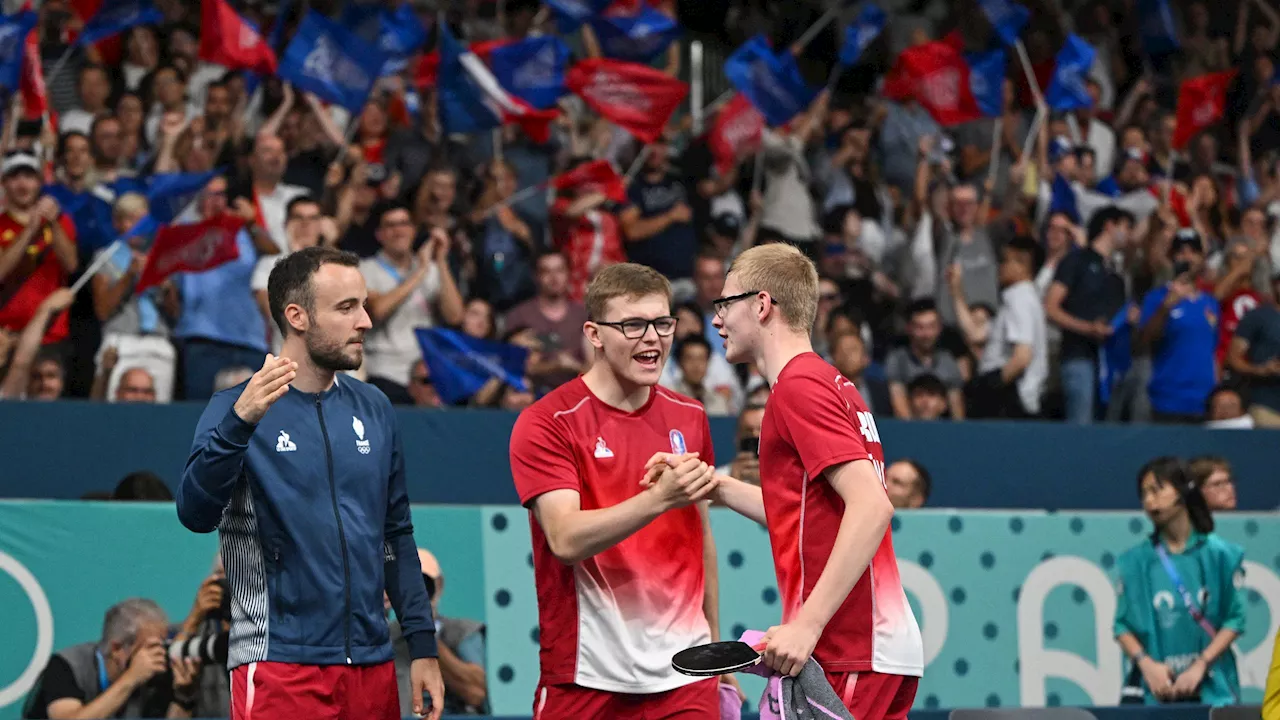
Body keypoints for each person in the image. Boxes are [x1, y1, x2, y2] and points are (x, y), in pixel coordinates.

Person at [175, 246, 445, 719]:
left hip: (372, 663)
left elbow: (395, 536)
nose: (365, 320)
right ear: (296, 316)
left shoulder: (375, 407)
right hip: (279, 661)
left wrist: (422, 645)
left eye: (362, 304)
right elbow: (194, 514)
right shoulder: (233, 407)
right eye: (346, 308)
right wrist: (239, 424)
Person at [699, 242, 923, 719]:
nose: (716, 319)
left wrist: (806, 624)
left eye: (725, 303)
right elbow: (802, 514)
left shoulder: (798, 388)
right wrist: (714, 485)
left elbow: (872, 505)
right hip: (864, 644)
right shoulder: (828, 382)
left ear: (761, 305)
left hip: (852, 643)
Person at [508, 262, 730, 718]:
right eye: (633, 324)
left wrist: (713, 639)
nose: (652, 338)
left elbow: (700, 534)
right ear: (593, 333)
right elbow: (565, 539)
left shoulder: (690, 416)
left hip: (686, 673)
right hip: (587, 675)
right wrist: (657, 499)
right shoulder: (547, 423)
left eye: (662, 322)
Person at [1115, 457, 1244, 707]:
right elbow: (1122, 626)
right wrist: (1147, 665)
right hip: (1159, 691)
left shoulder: (1222, 555)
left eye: (1157, 490)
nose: (1149, 501)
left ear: (1183, 491)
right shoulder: (1134, 561)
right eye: (1144, 494)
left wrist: (1201, 664)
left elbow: (1235, 619)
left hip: (1215, 690)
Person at [22, 598, 201, 719]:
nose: (159, 654)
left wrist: (183, 698)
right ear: (117, 649)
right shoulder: (67, 666)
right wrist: (130, 678)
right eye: (151, 647)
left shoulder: (154, 676)